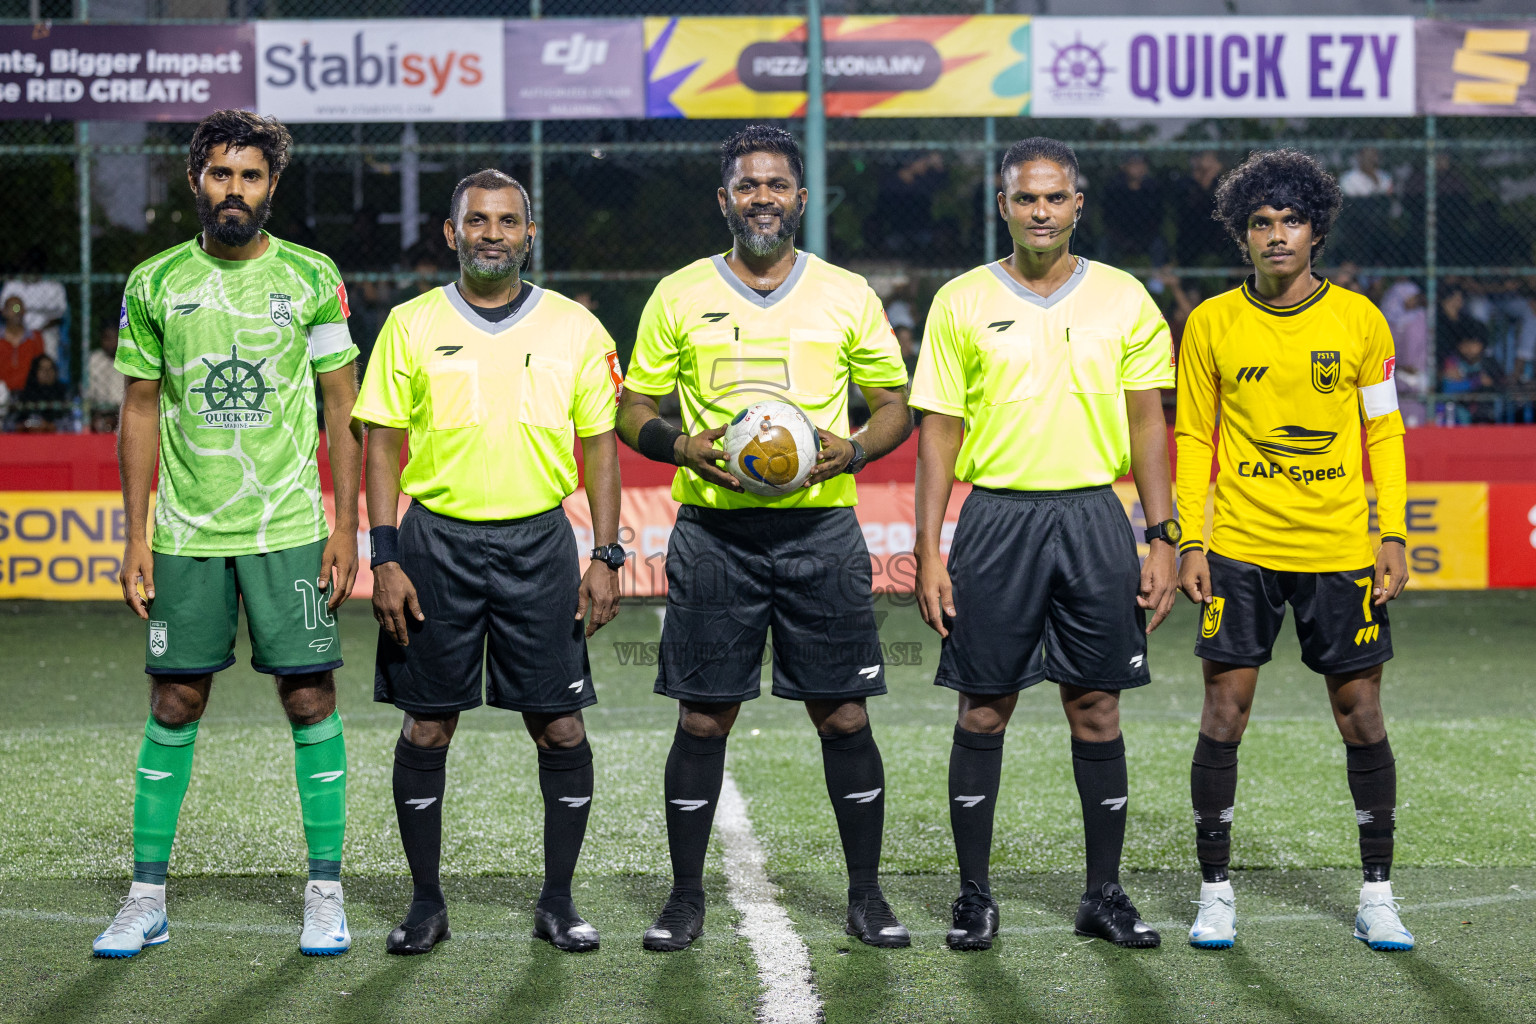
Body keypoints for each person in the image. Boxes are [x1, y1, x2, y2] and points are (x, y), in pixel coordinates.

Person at [617, 125, 914, 951]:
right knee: (704, 720)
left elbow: (894, 404)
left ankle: (866, 896)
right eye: (747, 185)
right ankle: (684, 899)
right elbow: (632, 406)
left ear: (801, 197)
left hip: (822, 532)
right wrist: (676, 445)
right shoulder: (678, 293)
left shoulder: (846, 293)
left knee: (844, 716)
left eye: (777, 184)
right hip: (714, 535)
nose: (762, 198)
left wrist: (851, 449)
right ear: (724, 200)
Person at [97, 110, 363, 958]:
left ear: (272, 186)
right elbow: (138, 408)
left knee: (310, 697)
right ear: (196, 182)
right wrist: (135, 534)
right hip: (185, 529)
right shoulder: (154, 282)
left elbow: (342, 404)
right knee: (176, 701)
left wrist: (345, 525)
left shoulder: (314, 278)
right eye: (221, 174)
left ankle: (325, 891)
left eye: (250, 176)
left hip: (287, 522)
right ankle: (146, 896)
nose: (235, 189)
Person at [911, 137, 1178, 953]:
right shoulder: (959, 300)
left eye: (1054, 198)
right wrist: (927, 551)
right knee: (984, 708)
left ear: (1076, 206)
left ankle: (1103, 895)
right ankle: (974, 897)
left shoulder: (1126, 298)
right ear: (1004, 206)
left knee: (1096, 706)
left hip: (1096, 520)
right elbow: (938, 434)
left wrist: (1162, 534)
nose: (1040, 211)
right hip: (996, 522)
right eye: (1025, 198)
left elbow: (1147, 424)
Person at [354, 169, 623, 956]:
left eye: (508, 221)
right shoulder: (408, 324)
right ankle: (426, 903)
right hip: (434, 544)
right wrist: (385, 554)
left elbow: (600, 446)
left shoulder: (576, 327)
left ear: (529, 234)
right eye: (478, 221)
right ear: (452, 232)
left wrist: (605, 553)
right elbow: (379, 441)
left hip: (539, 545)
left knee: (561, 726)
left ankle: (559, 900)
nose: (493, 234)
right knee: (428, 727)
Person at [1175, 149, 1414, 952]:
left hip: (1341, 548)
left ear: (1317, 231)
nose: (1276, 236)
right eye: (1261, 223)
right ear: (1243, 236)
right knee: (1224, 713)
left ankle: (1376, 893)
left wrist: (1393, 532)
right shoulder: (1210, 323)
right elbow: (1192, 435)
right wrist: (1191, 538)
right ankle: (1216, 892)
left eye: (1291, 222)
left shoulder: (1360, 321)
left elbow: (1384, 428)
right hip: (1240, 547)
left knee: (1361, 714)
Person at [1, 245, 69, 372]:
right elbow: (8, 309)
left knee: (49, 343)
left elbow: (58, 317)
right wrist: (18, 316)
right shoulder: (13, 285)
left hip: (44, 331)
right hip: (15, 330)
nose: (31, 269)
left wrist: (36, 333)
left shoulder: (53, 286)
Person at [1099, 152, 1166, 265]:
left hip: (1147, 237)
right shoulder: (1114, 188)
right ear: (1124, 166)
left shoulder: (1153, 188)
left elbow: (1158, 219)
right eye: (1133, 164)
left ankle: (1157, 281)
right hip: (1119, 236)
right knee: (1105, 244)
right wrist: (1120, 238)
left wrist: (1145, 238)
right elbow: (1108, 218)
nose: (1137, 168)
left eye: (1141, 164)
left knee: (1159, 244)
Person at [1173, 151, 1228, 267]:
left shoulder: (1221, 184)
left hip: (1216, 232)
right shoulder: (1185, 184)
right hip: (1191, 232)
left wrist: (1210, 174)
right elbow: (1189, 207)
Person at [8, 352, 72, 432]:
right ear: (35, 372)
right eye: (42, 369)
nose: (47, 373)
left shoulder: (64, 394)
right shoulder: (22, 396)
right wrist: (23, 426)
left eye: (50, 369)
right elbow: (8, 425)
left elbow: (72, 424)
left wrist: (50, 426)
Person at [85, 322, 126, 432]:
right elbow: (87, 395)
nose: (111, 343)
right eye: (107, 338)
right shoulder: (94, 360)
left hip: (126, 412)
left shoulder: (130, 358)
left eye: (115, 338)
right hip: (101, 413)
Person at [1, 294, 45, 393]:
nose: (17, 312)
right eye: (12, 308)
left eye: (19, 308)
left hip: (29, 391)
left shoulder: (35, 338)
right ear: (4, 312)